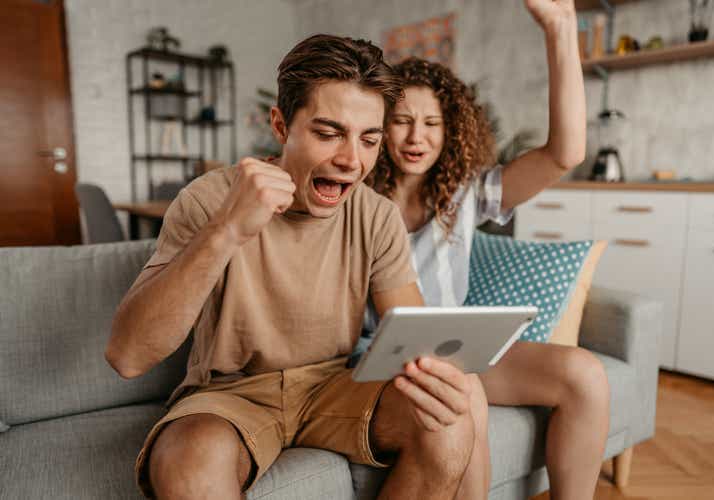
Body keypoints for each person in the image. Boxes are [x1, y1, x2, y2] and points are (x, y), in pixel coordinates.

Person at [106, 34, 489, 500]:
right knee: (187, 461)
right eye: (328, 134)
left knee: (446, 424)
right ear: (281, 125)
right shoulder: (210, 199)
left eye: (369, 140)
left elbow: (413, 335)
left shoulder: (375, 214)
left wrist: (449, 381)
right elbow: (128, 356)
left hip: (336, 385)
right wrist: (226, 230)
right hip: (231, 394)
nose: (351, 160)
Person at [358, 1, 611, 498]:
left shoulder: (465, 192)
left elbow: (566, 153)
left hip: (457, 352)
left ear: (450, 129)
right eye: (402, 121)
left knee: (585, 375)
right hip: (374, 360)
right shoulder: (354, 197)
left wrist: (560, 30)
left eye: (432, 123)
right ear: (378, 126)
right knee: (462, 391)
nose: (417, 137)